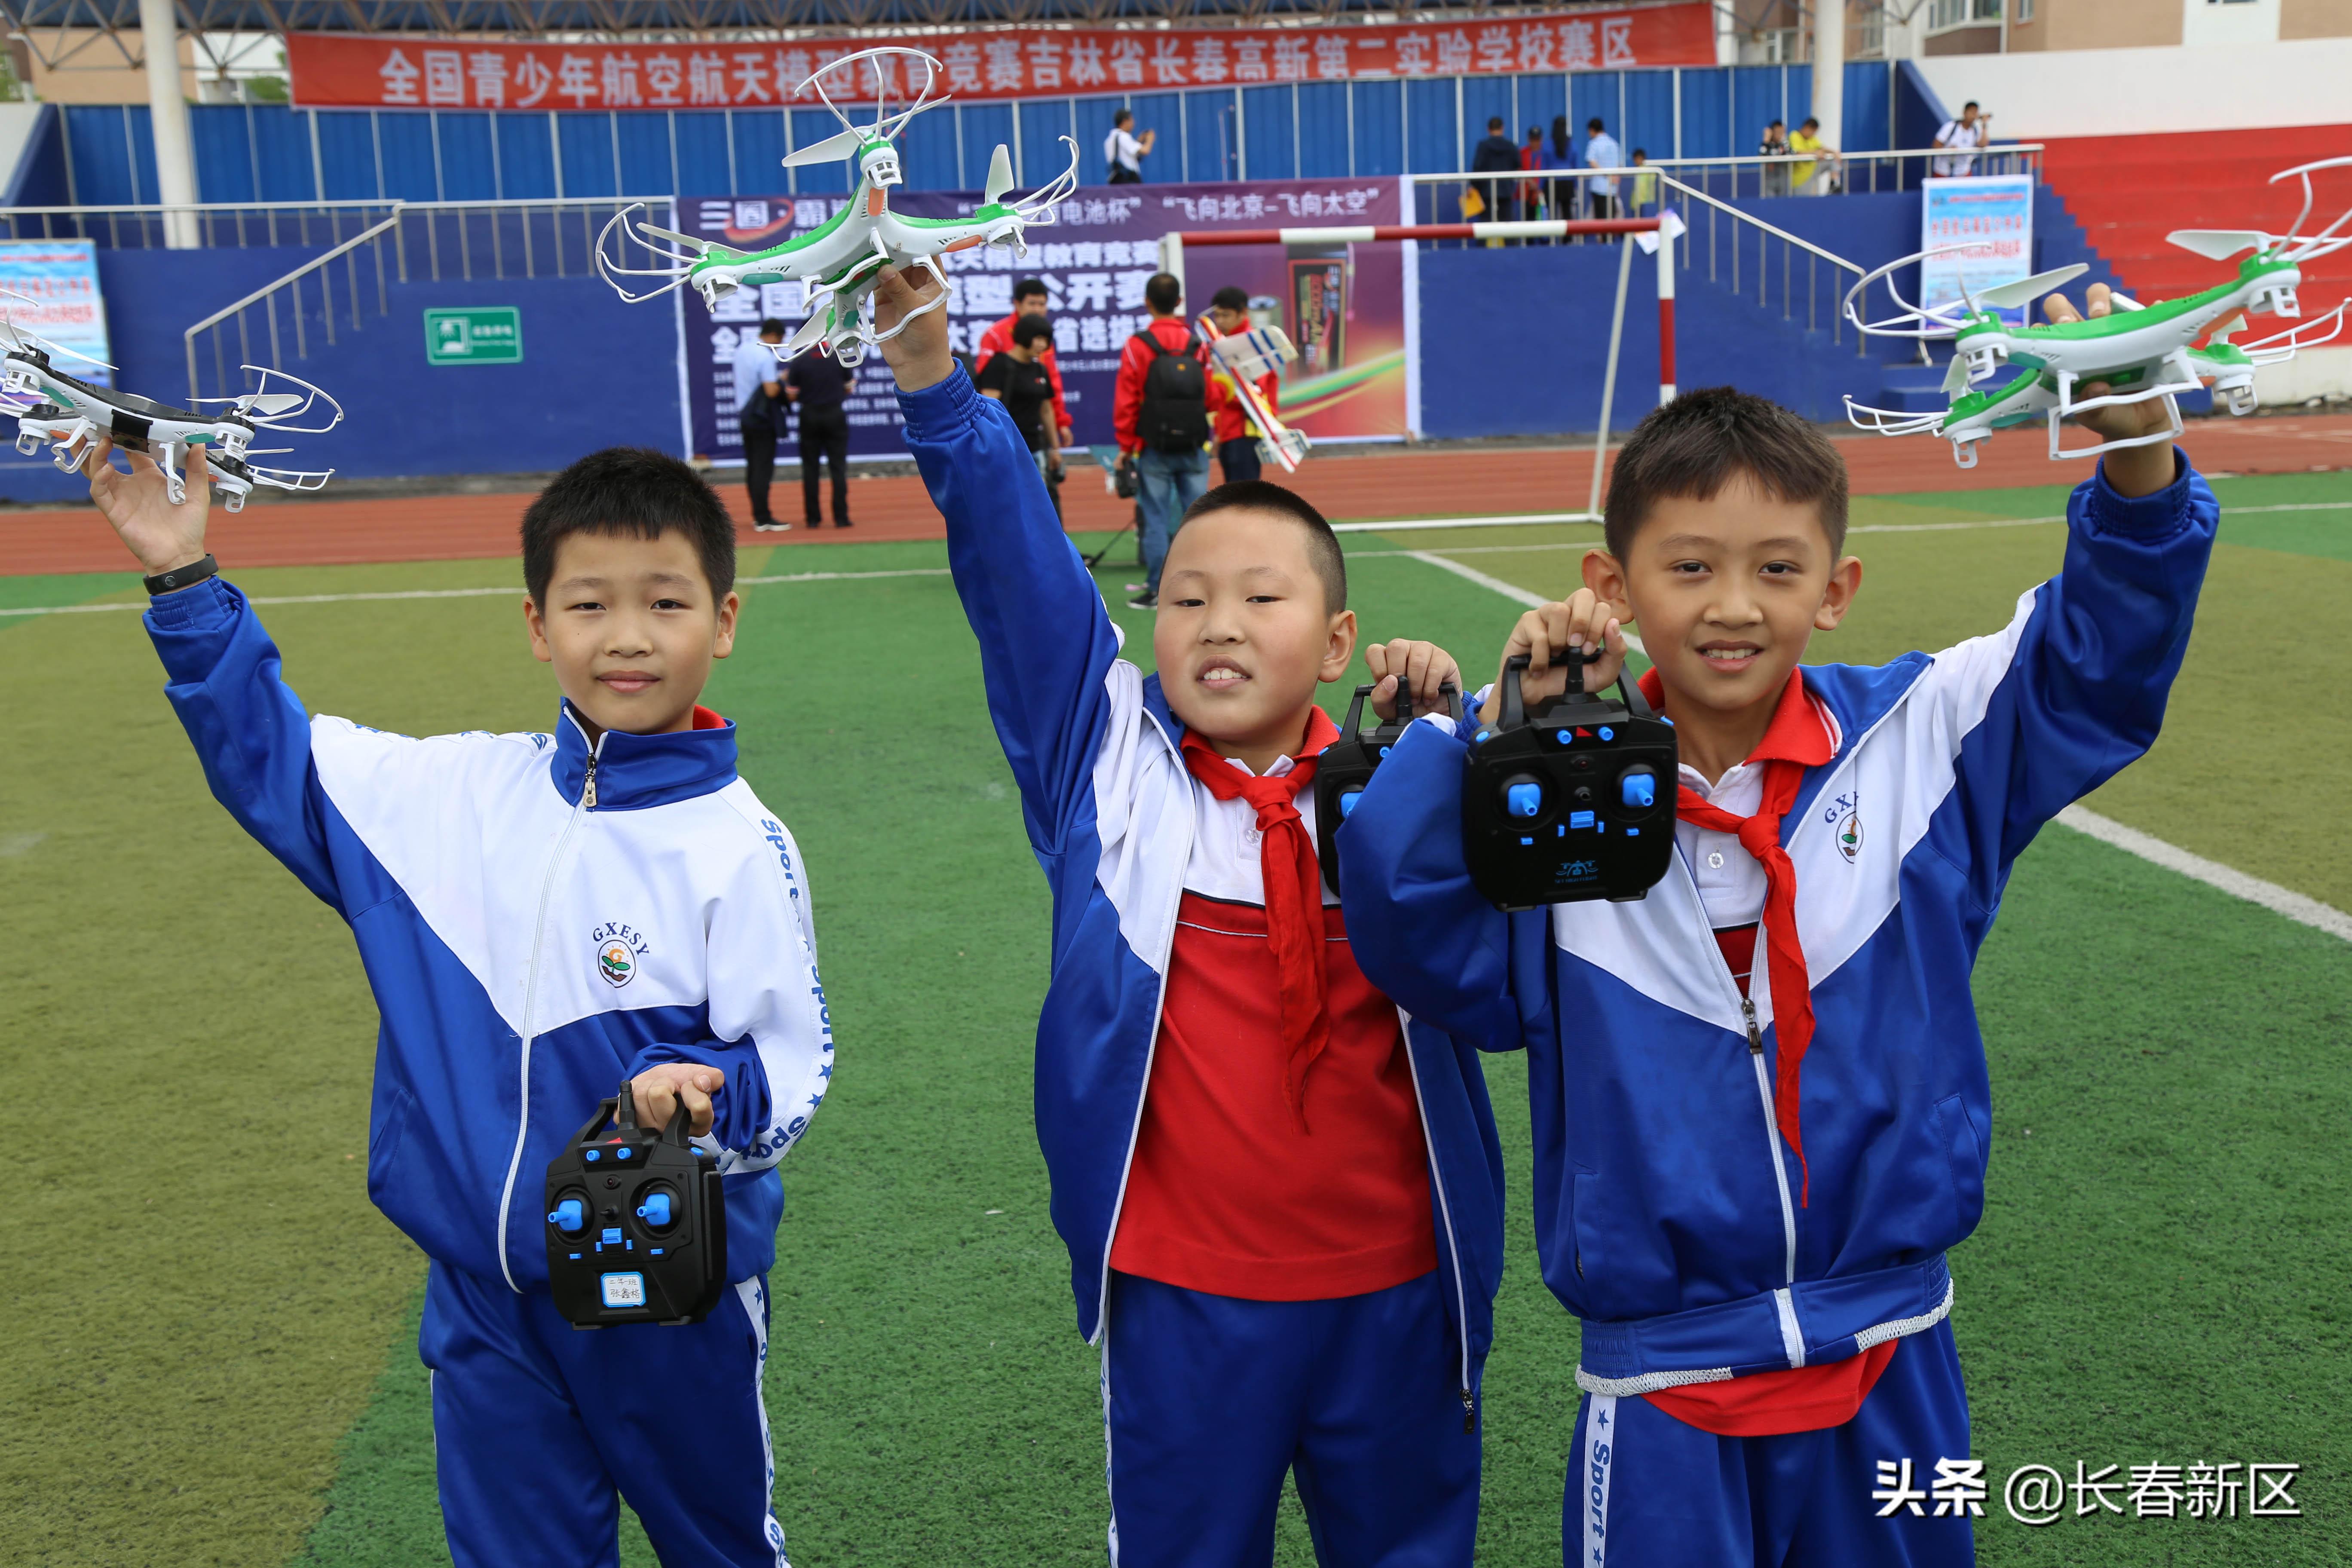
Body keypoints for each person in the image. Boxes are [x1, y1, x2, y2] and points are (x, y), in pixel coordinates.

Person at [1336, 297, 2211, 1568]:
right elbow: (1408, 926)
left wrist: (2137, 458)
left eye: (1777, 568)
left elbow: (2099, 663)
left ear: (1838, 588)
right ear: (1612, 585)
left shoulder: (1919, 739)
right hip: (1665, 1395)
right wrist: (1489, 721)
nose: (1733, 605)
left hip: (1893, 1358)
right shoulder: (1556, 790)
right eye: (1689, 567)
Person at [84, 436, 838, 1568]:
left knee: (719, 1546)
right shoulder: (453, 797)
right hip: (486, 1299)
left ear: (722, 621)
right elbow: (275, 761)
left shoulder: (738, 846)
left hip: (667, 1295)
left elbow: (792, 1072)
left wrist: (709, 1096)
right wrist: (182, 576)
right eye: (588, 603)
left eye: (664, 603)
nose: (626, 636)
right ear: (539, 625)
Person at [868, 259, 1507, 1568]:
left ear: (1336, 641)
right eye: (1185, 597)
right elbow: (1015, 564)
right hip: (1182, 1294)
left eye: (1262, 598)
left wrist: (1440, 734)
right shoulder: (1100, 763)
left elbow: (1499, 969)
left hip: (1396, 1285)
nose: (1216, 622)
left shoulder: (1402, 784)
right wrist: (936, 379)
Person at [1112, 272, 1211, 609]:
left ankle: (1157, 589)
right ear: (1180, 303)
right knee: (1201, 518)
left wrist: (1126, 448)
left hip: (1154, 446)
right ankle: (1207, 589)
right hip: (1195, 444)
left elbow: (1127, 401)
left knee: (1155, 518)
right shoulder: (1197, 344)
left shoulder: (1138, 345)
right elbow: (1209, 395)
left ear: (1148, 303)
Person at [971, 276, 1074, 449]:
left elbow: (1051, 385)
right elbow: (986, 387)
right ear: (1017, 304)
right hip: (1003, 430)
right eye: (1032, 304)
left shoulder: (1042, 338)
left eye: (1042, 304)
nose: (1037, 309)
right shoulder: (996, 334)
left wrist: (1061, 422)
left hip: (1034, 429)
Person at [1204, 285, 1279, 487]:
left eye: (1226, 315)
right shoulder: (1222, 345)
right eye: (1217, 316)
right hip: (1229, 433)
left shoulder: (1253, 345)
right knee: (1234, 498)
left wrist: (1218, 391)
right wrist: (1219, 433)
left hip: (1246, 433)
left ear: (1243, 313)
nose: (1220, 322)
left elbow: (1253, 393)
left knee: (1244, 499)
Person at [977, 315, 1063, 490]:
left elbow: (1046, 411)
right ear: (1024, 336)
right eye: (1038, 338)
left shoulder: (1040, 369)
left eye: (1046, 340)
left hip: (1034, 449)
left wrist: (1055, 449)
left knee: (1037, 504)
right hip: (1006, 449)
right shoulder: (1000, 365)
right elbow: (988, 410)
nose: (1043, 346)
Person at [784, 345, 853, 529]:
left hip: (809, 415)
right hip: (834, 413)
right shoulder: (838, 357)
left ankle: (813, 519)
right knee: (838, 468)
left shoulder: (800, 360)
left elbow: (791, 395)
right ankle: (841, 518)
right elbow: (849, 388)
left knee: (810, 469)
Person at [730, 318, 787, 531]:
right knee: (763, 467)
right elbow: (771, 390)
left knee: (753, 466)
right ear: (774, 336)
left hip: (745, 414)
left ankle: (758, 515)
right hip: (761, 418)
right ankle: (763, 517)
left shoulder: (743, 349)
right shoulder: (765, 355)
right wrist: (782, 383)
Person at [1470, 115, 1522, 230]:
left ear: (1489, 129)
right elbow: (1518, 164)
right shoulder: (1510, 146)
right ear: (1502, 128)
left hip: (1487, 191)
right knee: (1508, 226)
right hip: (1506, 190)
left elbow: (1477, 167)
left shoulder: (1483, 146)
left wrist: (1475, 186)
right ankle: (1511, 248)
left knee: (1485, 227)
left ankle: (1482, 248)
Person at [1932, 101, 1992, 178]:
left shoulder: (1976, 130)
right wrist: (1948, 150)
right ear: (1964, 113)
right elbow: (1936, 145)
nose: (1973, 115)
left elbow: (1983, 145)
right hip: (1944, 171)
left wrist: (1984, 125)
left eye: (1975, 113)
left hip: (1963, 172)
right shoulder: (1950, 127)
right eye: (1971, 112)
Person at [1583, 116, 1623, 220]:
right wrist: (1615, 177)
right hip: (1613, 188)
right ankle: (1610, 237)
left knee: (1601, 219)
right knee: (1611, 217)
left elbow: (1592, 162)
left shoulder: (1594, 144)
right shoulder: (1614, 144)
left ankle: (1604, 237)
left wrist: (1606, 175)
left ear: (1592, 130)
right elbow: (1620, 164)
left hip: (1599, 187)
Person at [1790, 116, 1838, 195]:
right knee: (1802, 203)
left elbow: (1822, 148)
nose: (1813, 134)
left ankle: (1833, 185)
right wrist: (1815, 153)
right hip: (1800, 177)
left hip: (1813, 169)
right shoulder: (1795, 135)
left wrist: (1835, 152)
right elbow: (1797, 152)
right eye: (1813, 132)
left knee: (1832, 161)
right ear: (1807, 128)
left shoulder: (1812, 139)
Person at [1105, 108, 1153, 184]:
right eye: (1132, 120)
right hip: (1129, 180)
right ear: (1125, 122)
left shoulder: (1110, 139)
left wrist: (1139, 141)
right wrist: (1150, 139)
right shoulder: (1124, 137)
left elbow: (1126, 154)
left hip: (1116, 180)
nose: (1134, 123)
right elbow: (1146, 151)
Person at [1519, 124, 1548, 220]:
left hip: (1541, 194)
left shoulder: (1546, 153)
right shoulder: (1523, 153)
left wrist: (1540, 187)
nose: (1535, 143)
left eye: (1537, 140)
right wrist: (1529, 181)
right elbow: (1518, 169)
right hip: (1526, 194)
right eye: (1533, 140)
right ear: (1529, 139)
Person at [1759, 119, 1791, 196]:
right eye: (1778, 132)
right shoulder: (1766, 145)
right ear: (1772, 132)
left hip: (1782, 178)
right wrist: (1766, 140)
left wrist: (1783, 141)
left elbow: (1789, 153)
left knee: (1782, 201)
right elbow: (1762, 154)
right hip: (1769, 179)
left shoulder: (1785, 143)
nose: (1780, 135)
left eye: (1782, 132)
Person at [1628, 147, 1658, 215]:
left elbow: (1641, 188)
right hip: (1644, 204)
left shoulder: (1645, 170)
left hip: (1642, 204)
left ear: (1639, 158)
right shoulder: (1647, 170)